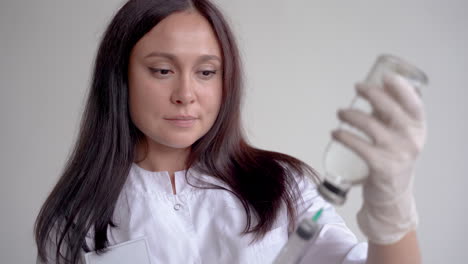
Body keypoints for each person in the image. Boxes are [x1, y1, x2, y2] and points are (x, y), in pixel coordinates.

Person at [34, 0, 426, 263]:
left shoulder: (281, 186)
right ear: (120, 76)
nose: (185, 94)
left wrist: (391, 210)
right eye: (162, 70)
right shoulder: (75, 218)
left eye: (206, 72)